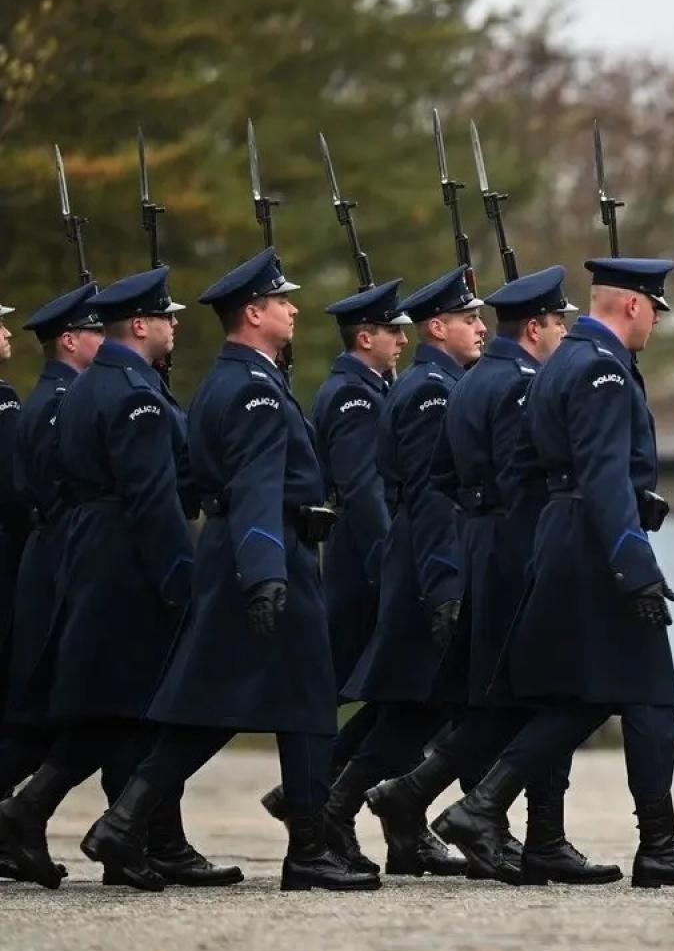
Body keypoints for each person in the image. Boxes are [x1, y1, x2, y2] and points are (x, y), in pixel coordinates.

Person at [433, 258, 674, 890]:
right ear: (631, 305)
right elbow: (603, 475)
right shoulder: (601, 369)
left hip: (565, 538)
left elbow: (536, 472)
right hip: (597, 547)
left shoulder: (561, 362)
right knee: (651, 696)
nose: (656, 322)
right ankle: (658, 844)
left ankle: (481, 806)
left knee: (581, 698)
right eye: (655, 308)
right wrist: (635, 564)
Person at [80, 248, 375, 893]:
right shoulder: (253, 389)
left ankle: (123, 824)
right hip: (267, 553)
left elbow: (203, 480)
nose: (293, 309)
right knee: (304, 705)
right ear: (253, 313)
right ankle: (307, 851)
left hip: (242, 551)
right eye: (281, 301)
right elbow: (257, 485)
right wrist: (266, 572)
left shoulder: (232, 379)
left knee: (218, 704)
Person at [375, 266, 621, 887]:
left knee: (507, 696)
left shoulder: (471, 382)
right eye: (559, 323)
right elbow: (523, 478)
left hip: (482, 543)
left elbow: (442, 475)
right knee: (554, 691)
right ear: (536, 327)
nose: (564, 333)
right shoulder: (519, 383)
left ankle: (422, 793)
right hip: (520, 546)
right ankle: (538, 833)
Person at [0, 269, 240, 891]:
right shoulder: (135, 395)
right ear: (139, 325)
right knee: (126, 705)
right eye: (165, 316)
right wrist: (179, 577)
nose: (174, 325)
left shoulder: (89, 386)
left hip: (95, 549)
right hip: (127, 559)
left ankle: (119, 836)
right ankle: (41, 813)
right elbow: (152, 500)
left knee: (118, 706)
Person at [257, 278, 411, 872]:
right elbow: (362, 486)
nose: (402, 340)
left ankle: (319, 798)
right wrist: (388, 560)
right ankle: (321, 804)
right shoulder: (353, 395)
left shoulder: (375, 386)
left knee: (398, 693)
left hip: (372, 551)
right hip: (363, 557)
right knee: (374, 690)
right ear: (364, 337)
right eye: (391, 331)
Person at [340, 265, 485, 877]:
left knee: (416, 708)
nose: (481, 328)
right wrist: (444, 584)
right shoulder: (433, 392)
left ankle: (395, 826)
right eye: (469, 319)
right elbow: (431, 496)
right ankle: (331, 810)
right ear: (438, 328)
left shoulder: (438, 383)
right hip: (430, 561)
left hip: (428, 558)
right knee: (420, 707)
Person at [0, 288, 95, 883]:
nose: (6, 334)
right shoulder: (29, 401)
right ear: (70, 339)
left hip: (37, 554)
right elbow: (20, 493)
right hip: (41, 557)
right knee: (39, 712)